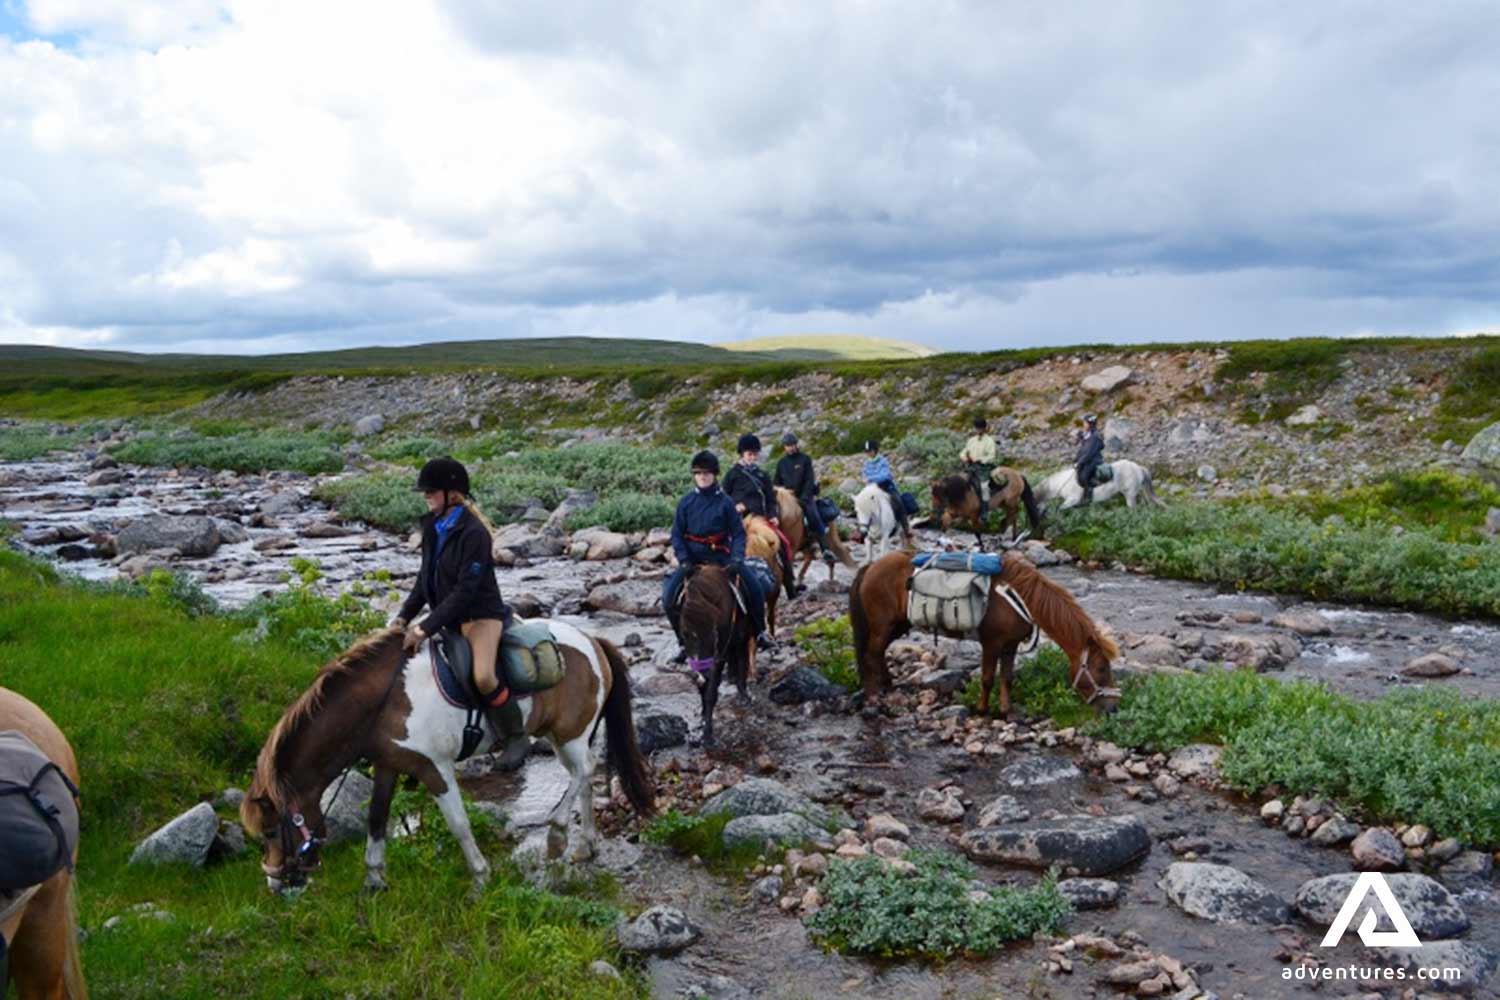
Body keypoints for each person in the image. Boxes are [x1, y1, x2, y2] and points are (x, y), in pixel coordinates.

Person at [394, 457, 526, 767]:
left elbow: (466, 591)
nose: (426, 497)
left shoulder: (474, 533)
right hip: (449, 619)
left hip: (481, 617)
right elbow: (423, 580)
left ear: (452, 493)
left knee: (482, 677)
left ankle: (516, 737)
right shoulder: (433, 528)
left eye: (431, 492)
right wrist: (403, 616)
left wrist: (424, 628)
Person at [662, 450, 770, 659]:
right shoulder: (685, 502)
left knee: (755, 588)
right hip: (692, 560)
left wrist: (737, 559)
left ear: (714, 475)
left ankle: (760, 632)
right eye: (699, 473)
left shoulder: (726, 502)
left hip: (722, 557)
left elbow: (738, 533)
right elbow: (677, 534)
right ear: (694, 475)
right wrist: (684, 560)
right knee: (668, 598)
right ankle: (683, 642)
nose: (703, 476)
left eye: (707, 473)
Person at [722, 433, 797, 600]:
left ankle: (789, 583)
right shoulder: (732, 474)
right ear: (742, 454)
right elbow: (723, 498)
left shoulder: (763, 475)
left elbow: (770, 499)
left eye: (755, 454)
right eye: (750, 454)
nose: (753, 457)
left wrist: (773, 515)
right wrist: (735, 506)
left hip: (763, 520)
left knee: (783, 543)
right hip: (741, 521)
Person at [773, 431, 835, 564]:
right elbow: (776, 482)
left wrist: (804, 497)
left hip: (804, 496)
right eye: (788, 445)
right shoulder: (781, 463)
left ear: (796, 445)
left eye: (793, 445)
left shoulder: (805, 459)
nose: (791, 447)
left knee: (813, 515)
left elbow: (809, 480)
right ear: (784, 447)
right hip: (787, 498)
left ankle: (824, 548)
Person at [862, 439, 911, 539]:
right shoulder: (866, 464)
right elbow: (864, 476)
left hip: (886, 487)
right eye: (867, 451)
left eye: (870, 451)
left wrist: (871, 479)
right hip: (872, 488)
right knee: (861, 504)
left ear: (875, 450)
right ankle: (863, 530)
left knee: (898, 501)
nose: (868, 453)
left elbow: (885, 476)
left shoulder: (883, 461)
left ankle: (907, 529)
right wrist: (867, 480)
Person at [961, 416, 999, 510]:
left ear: (984, 428)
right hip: (971, 466)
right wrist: (964, 457)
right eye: (976, 428)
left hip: (984, 468)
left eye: (980, 428)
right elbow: (964, 451)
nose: (978, 430)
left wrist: (979, 459)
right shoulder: (971, 440)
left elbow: (991, 456)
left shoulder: (989, 441)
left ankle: (985, 509)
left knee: (984, 486)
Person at [1074, 414, 1104, 506]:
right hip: (1088, 460)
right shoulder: (1088, 434)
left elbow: (1089, 452)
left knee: (1084, 476)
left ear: (1090, 424)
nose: (1083, 424)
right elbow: (1083, 448)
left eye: (1085, 423)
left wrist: (1080, 462)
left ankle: (1088, 498)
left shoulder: (1095, 436)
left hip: (1094, 460)